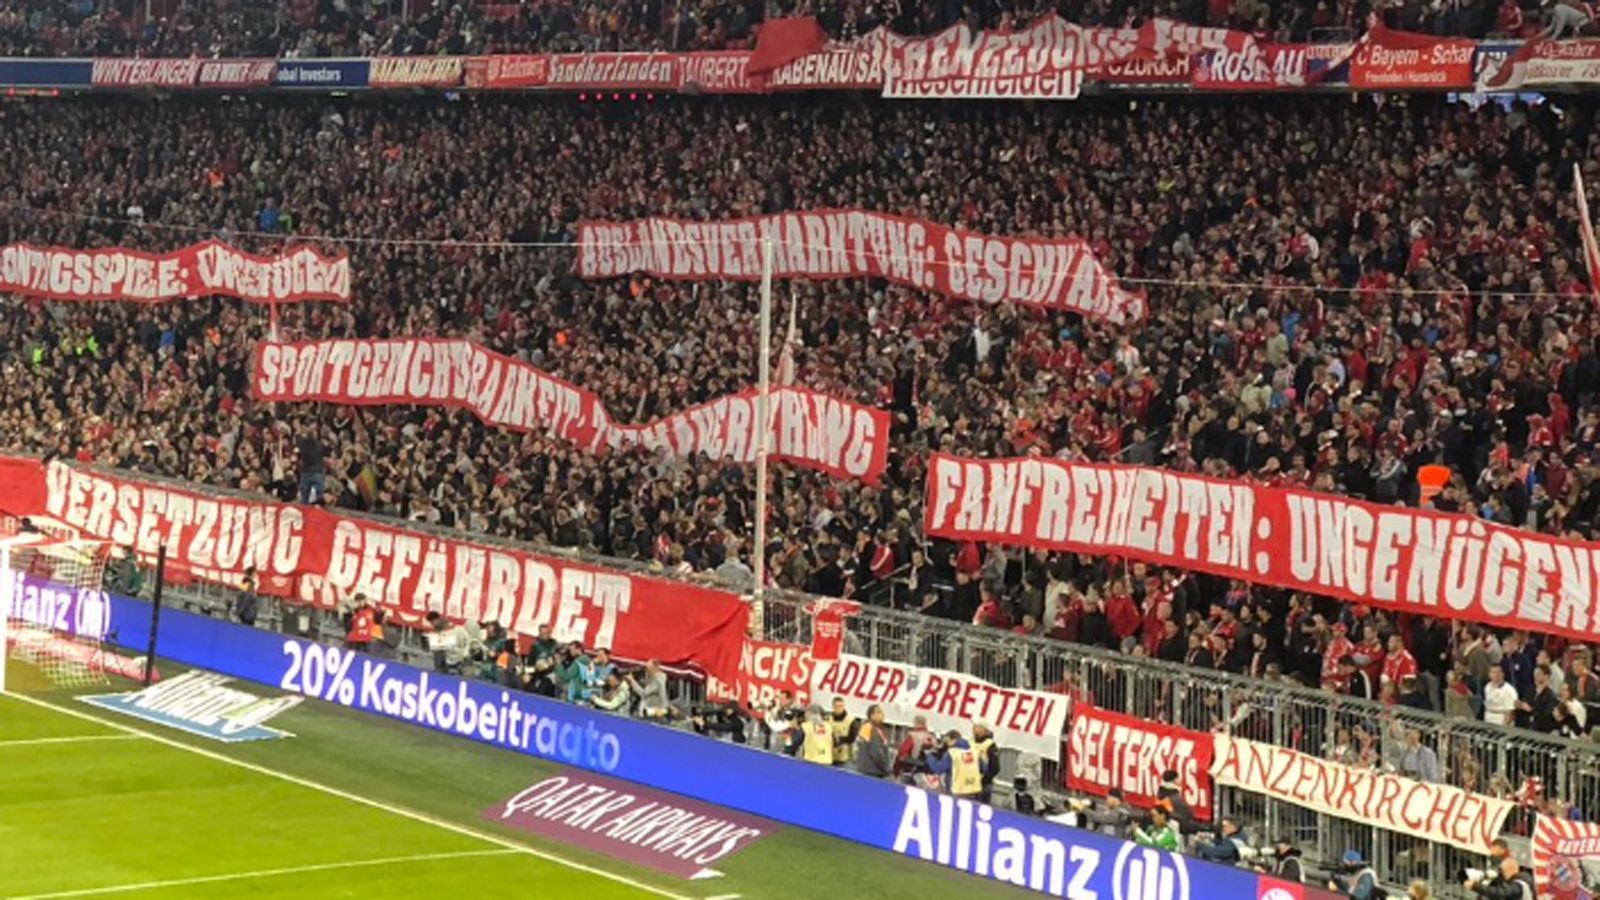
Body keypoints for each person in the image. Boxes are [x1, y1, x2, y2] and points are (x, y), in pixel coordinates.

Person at [1464, 853, 1535, 899]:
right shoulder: (1520, 880)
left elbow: (1501, 892)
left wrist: (1476, 886)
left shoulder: (1519, 885)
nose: (1502, 874)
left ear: (1510, 870)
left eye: (1503, 871)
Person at [854, 704, 893, 778]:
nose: (882, 715)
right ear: (872, 715)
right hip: (873, 772)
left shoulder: (866, 727)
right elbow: (876, 752)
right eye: (879, 712)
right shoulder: (872, 730)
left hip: (865, 770)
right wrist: (886, 768)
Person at [827, 697, 862, 766]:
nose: (839, 708)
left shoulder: (851, 721)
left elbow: (852, 738)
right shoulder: (828, 719)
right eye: (837, 706)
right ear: (833, 707)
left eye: (841, 706)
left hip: (845, 758)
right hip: (830, 755)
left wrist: (839, 739)